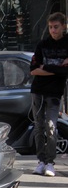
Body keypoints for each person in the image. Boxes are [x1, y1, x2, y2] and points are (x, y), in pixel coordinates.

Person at [29, 12, 68, 177]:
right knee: (38, 128)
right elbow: (33, 70)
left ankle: (50, 163)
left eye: (56, 27)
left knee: (51, 127)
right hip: (38, 91)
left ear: (64, 26)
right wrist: (58, 69)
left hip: (54, 93)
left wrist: (46, 67)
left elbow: (66, 72)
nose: (53, 30)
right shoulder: (42, 44)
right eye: (51, 27)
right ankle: (41, 162)